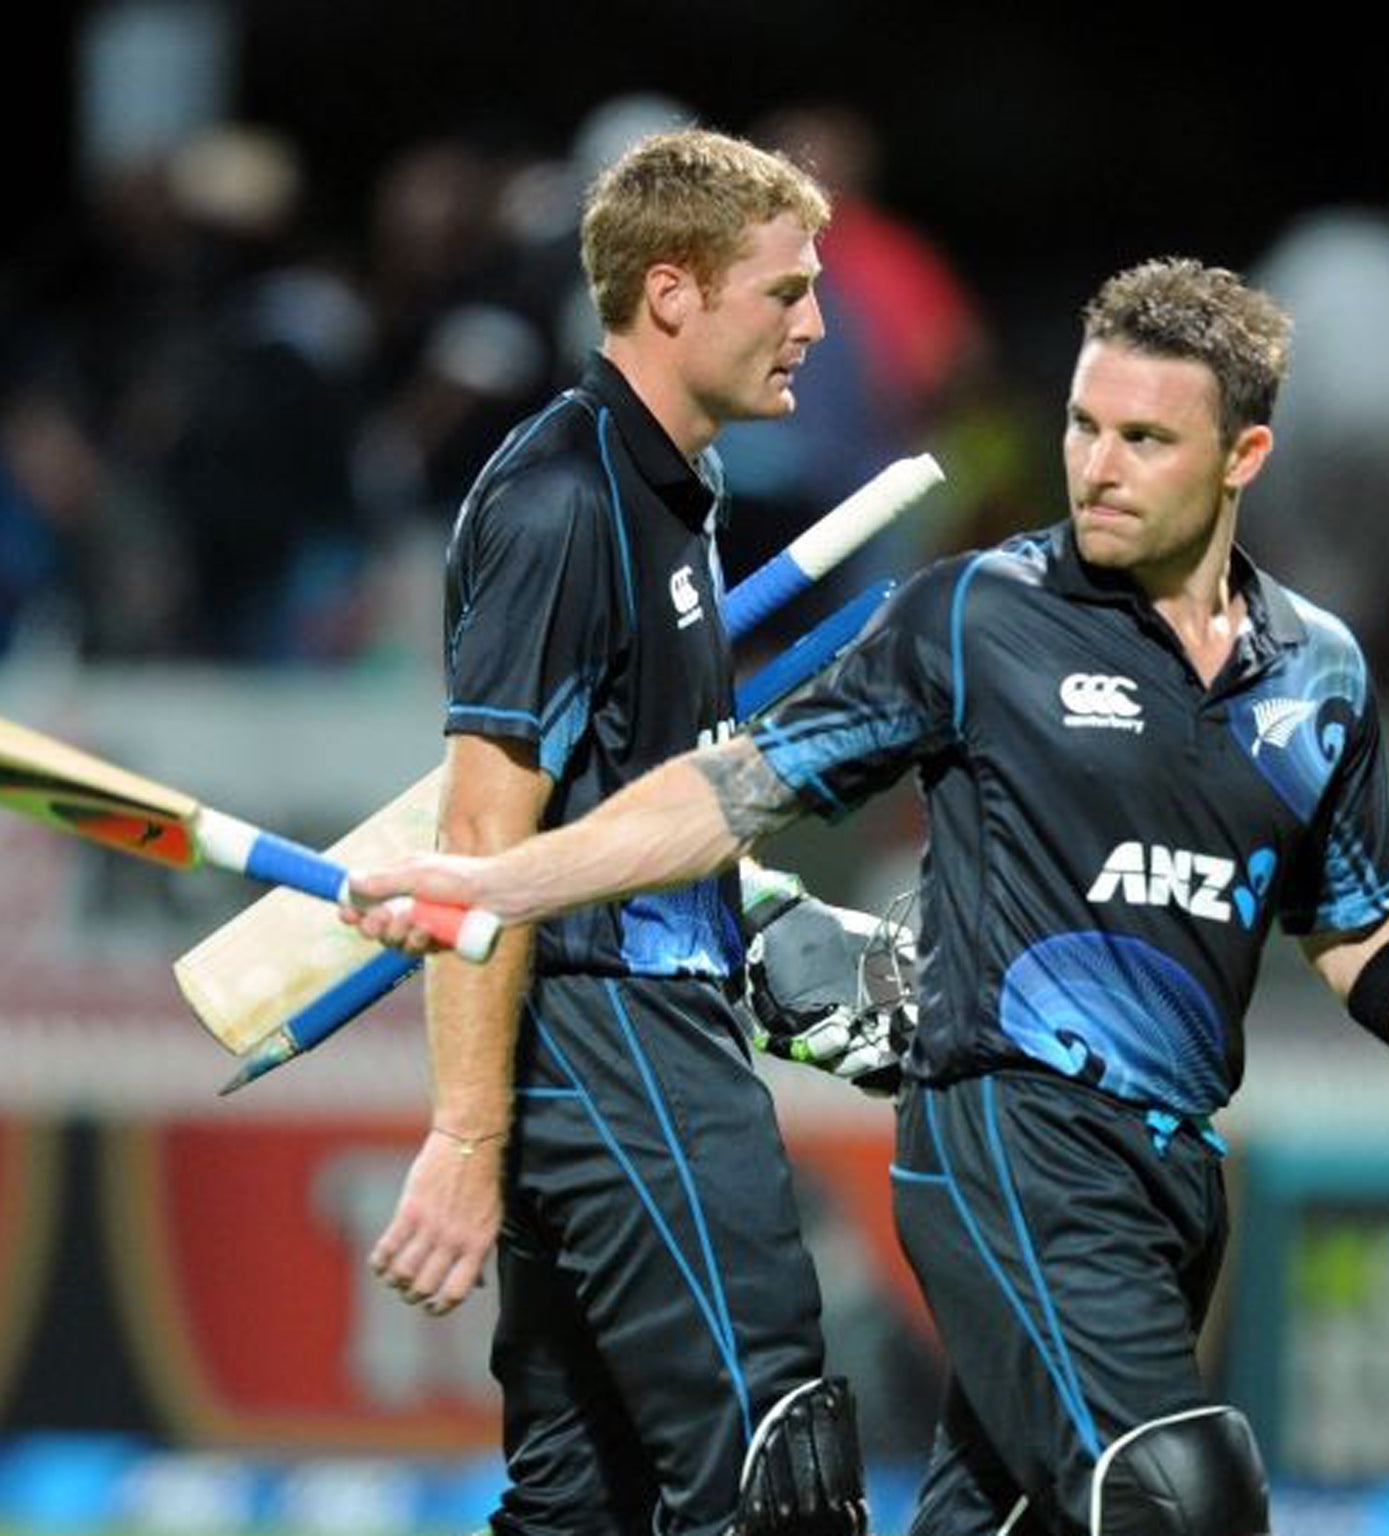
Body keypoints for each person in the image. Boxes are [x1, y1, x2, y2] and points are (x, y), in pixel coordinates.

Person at [348, 256, 1389, 1536]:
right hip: (1010, 1143)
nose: (1097, 466)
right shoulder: (972, 616)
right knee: (1172, 1504)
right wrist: (499, 879)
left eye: (1144, 438)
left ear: (1243, 456)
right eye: (1082, 425)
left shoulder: (1324, 670)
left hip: (1173, 1179)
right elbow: (725, 793)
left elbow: (1360, 932)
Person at [367, 127, 872, 1536]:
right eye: (784, 291)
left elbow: (631, 798)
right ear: (672, 293)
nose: (815, 324)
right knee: (780, 1485)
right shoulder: (561, 498)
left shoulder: (669, 489)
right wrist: (465, 1138)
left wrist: (755, 919)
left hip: (636, 1037)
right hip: (612, 1054)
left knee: (582, 1506)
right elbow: (483, 835)